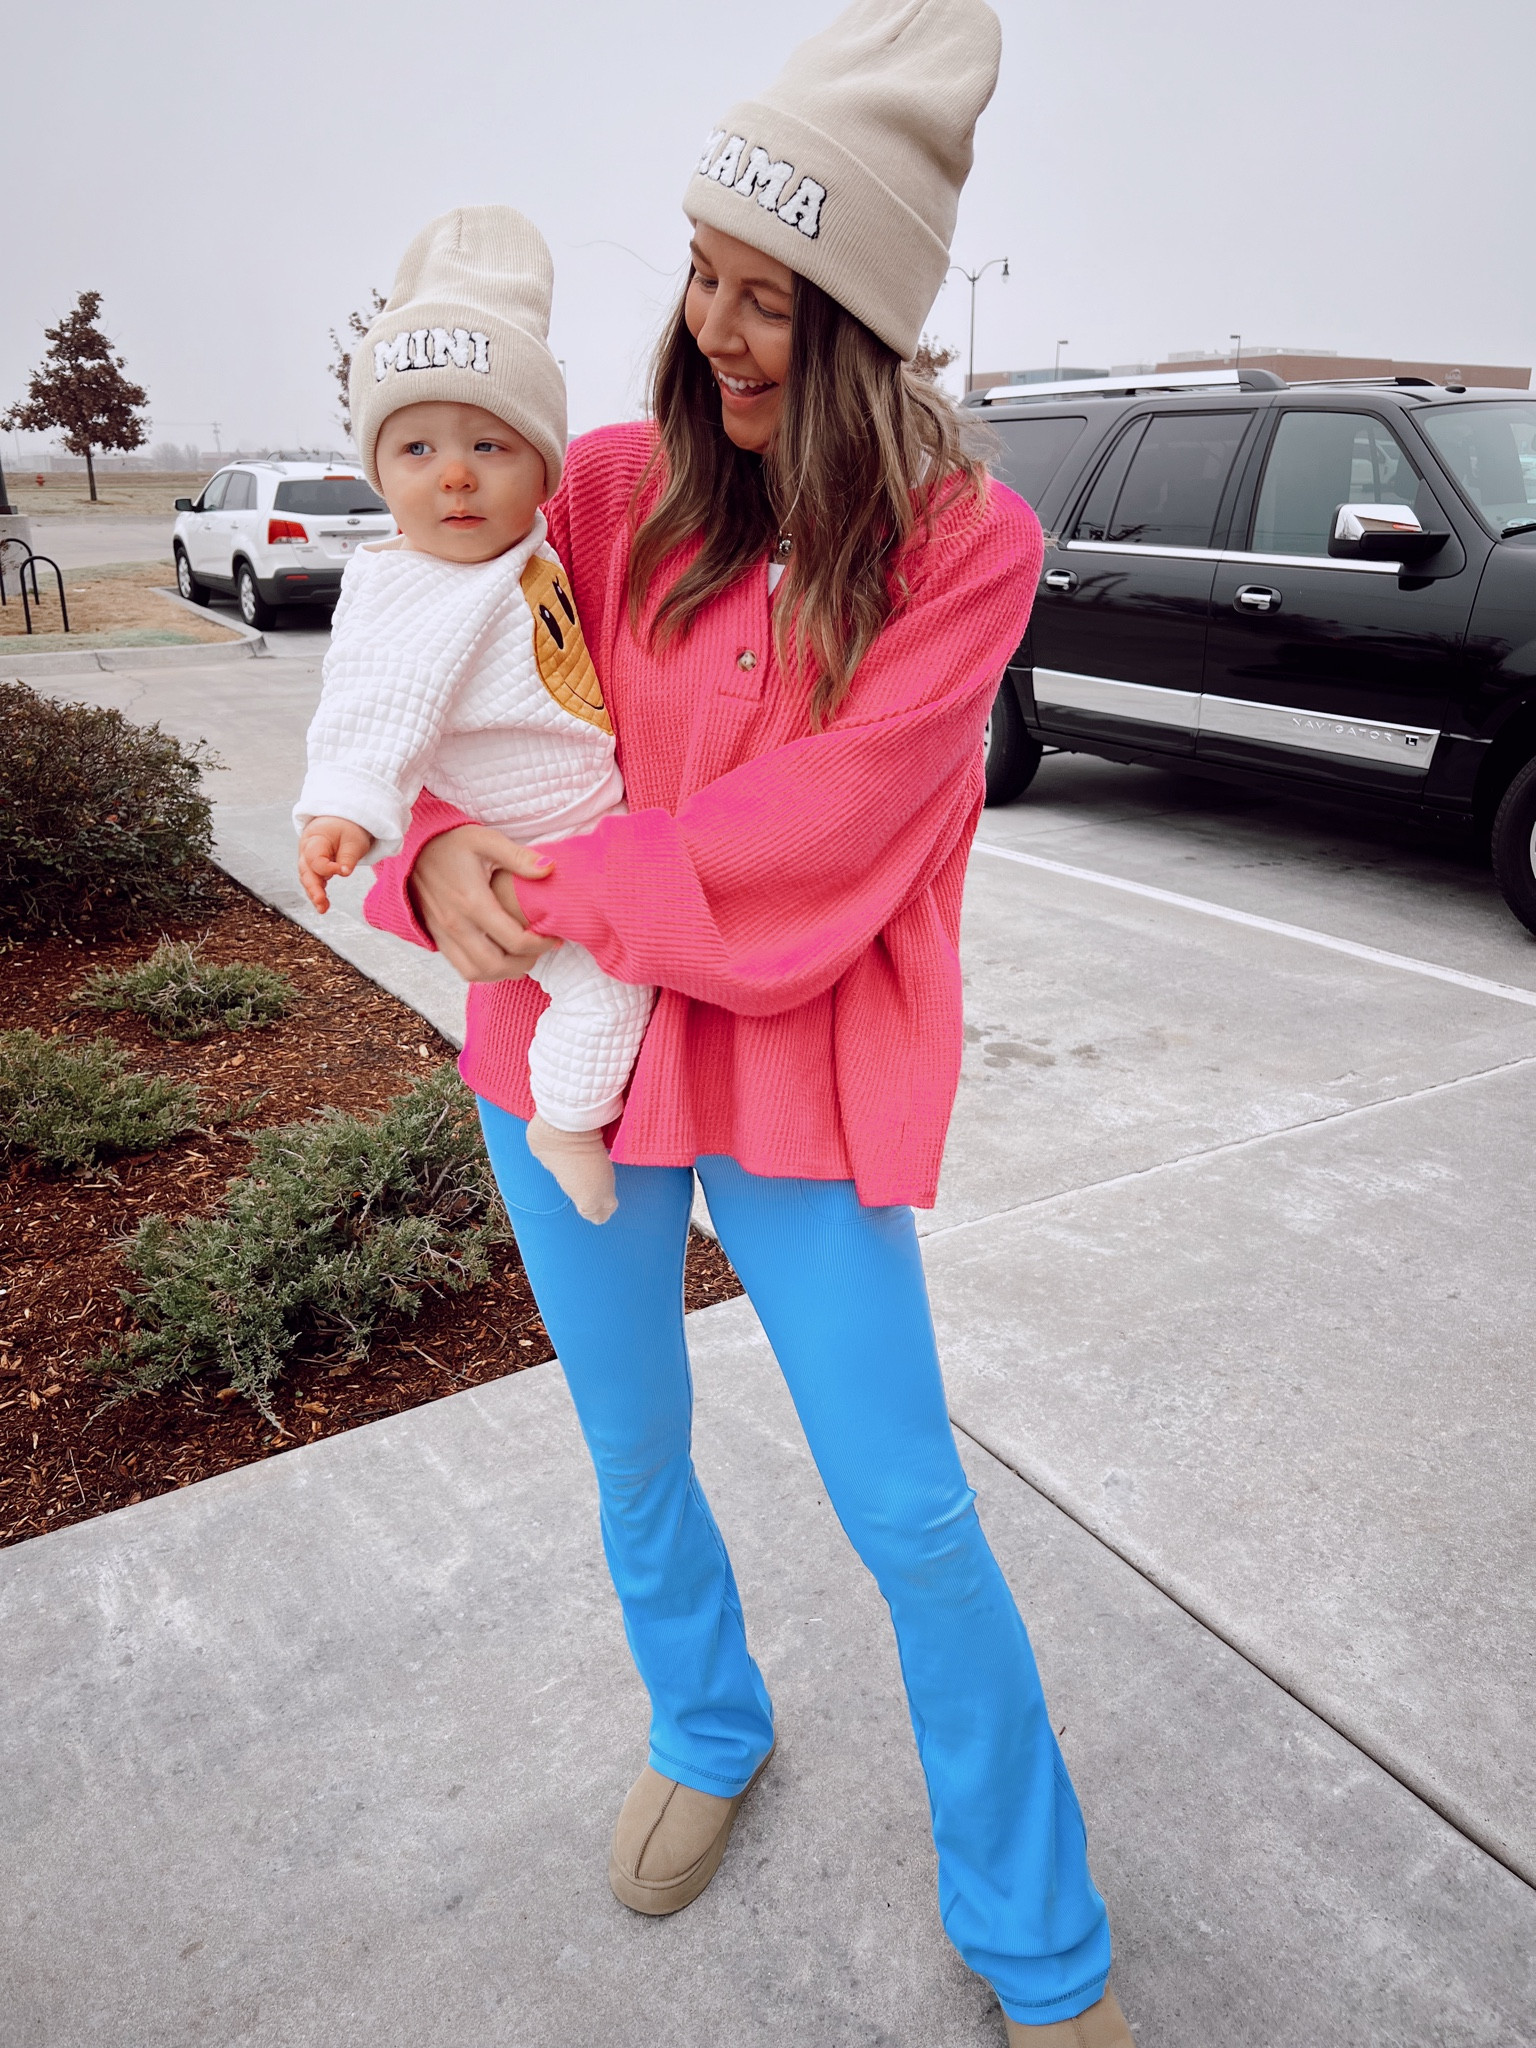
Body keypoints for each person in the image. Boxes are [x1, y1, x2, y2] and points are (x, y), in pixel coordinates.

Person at [367, 3, 1133, 2039]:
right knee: (634, 1448)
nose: (715, 324)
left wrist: (553, 890)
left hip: (791, 1060)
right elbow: (440, 670)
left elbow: (832, 830)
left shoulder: (966, 544)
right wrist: (430, 853)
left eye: (772, 297)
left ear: (872, 319)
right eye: (704, 273)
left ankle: (1036, 1932)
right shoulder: (613, 488)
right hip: (568, 1053)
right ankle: (709, 1721)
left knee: (911, 1508)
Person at [294, 206, 652, 1224]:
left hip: (584, 817)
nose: (454, 473)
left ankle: (570, 1111)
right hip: (536, 850)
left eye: (490, 443)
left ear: (545, 468)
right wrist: (348, 813)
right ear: (378, 471)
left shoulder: (515, 550)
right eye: (415, 448)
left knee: (612, 983)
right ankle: (568, 1120)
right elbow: (374, 704)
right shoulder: (419, 588)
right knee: (610, 988)